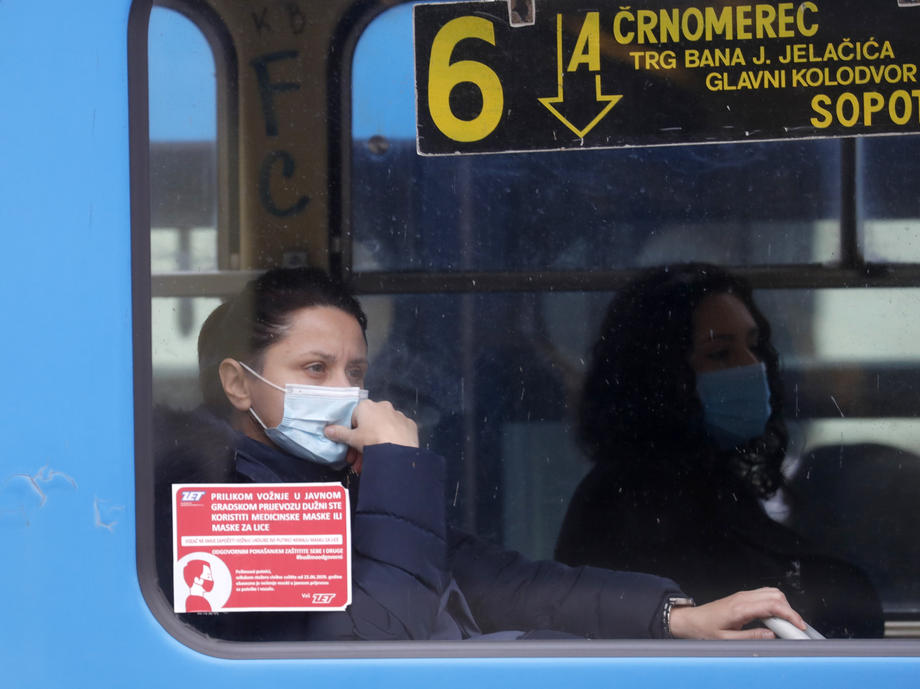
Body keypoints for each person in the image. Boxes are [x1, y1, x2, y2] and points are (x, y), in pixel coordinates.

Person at [154, 266, 807, 642]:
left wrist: (674, 614)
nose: (344, 393)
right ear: (239, 381)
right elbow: (382, 645)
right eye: (315, 368)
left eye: (354, 371)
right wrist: (396, 468)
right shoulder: (220, 505)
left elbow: (505, 582)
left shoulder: (335, 488)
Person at [554, 263, 883, 638]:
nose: (752, 366)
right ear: (662, 378)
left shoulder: (711, 481)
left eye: (753, 346)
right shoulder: (630, 503)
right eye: (721, 354)